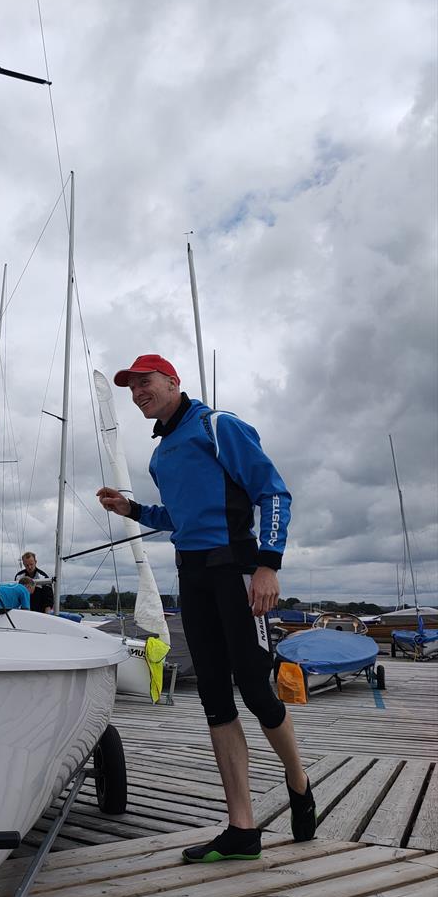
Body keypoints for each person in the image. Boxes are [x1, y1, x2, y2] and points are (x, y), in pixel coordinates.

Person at [96, 354, 315, 863]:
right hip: (191, 577)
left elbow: (273, 494)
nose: (136, 393)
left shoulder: (218, 425)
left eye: (144, 382)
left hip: (237, 569)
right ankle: (242, 828)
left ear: (173, 382)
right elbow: (177, 516)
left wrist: (268, 565)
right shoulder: (159, 455)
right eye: (130, 388)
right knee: (214, 699)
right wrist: (132, 510)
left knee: (258, 692)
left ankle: (298, 779)